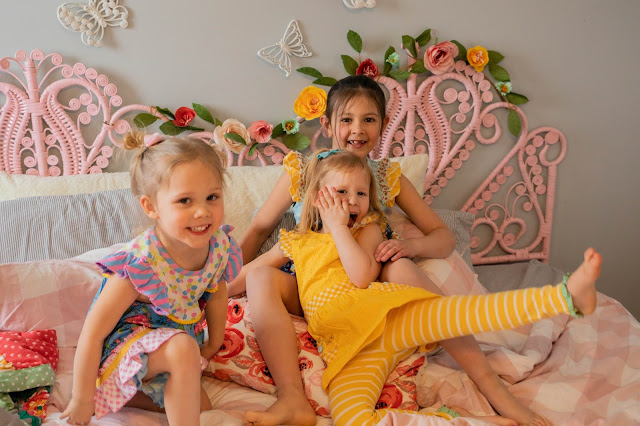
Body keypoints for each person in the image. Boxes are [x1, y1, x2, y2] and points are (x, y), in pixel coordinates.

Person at [230, 75, 590, 426]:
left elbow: (442, 237)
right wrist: (216, 283)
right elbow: (260, 228)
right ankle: (291, 396)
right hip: (308, 282)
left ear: (384, 123)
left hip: (365, 270)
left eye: (369, 120)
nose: (357, 130)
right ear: (326, 124)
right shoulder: (305, 171)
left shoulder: (386, 177)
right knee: (259, 276)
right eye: (347, 120)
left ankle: (492, 386)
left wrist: (409, 245)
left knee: (402, 270)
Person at [61, 133, 242, 426]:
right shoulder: (141, 263)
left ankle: (132, 395)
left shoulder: (219, 246)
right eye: (184, 200)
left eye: (212, 197)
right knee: (183, 348)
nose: (202, 211)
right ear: (151, 207)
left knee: (201, 406)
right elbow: (93, 333)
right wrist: (81, 400)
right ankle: (107, 389)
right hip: (126, 349)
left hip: (176, 347)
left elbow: (217, 292)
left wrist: (215, 341)